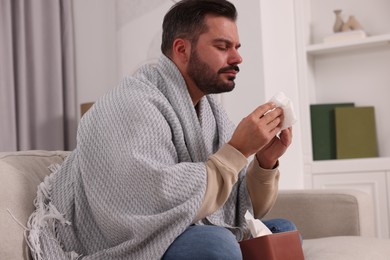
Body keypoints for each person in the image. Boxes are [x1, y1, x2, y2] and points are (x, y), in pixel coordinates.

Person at [27, 0, 296, 259]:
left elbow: (238, 207)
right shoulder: (132, 103)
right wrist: (236, 150)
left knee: (282, 230)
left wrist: (264, 160)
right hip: (128, 240)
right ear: (182, 50)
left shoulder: (211, 111)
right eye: (222, 46)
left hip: (182, 229)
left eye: (236, 46)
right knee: (216, 244)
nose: (237, 57)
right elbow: (150, 201)